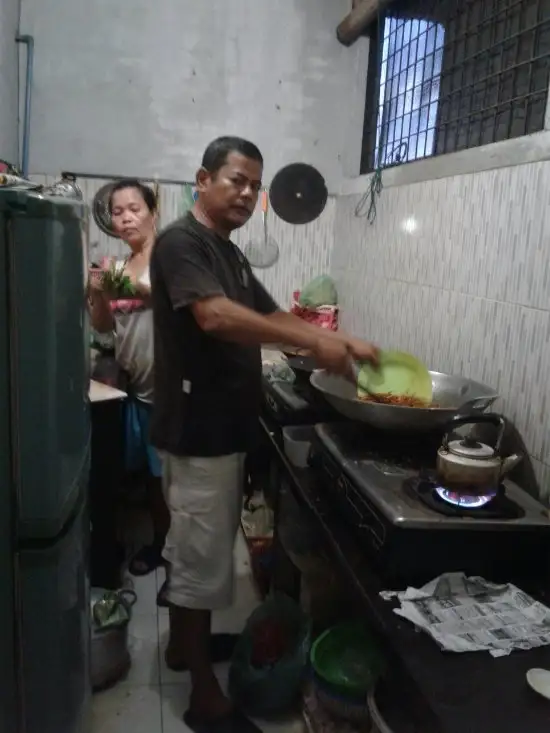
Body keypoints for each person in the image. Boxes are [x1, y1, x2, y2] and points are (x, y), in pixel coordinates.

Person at [150, 137, 378, 733]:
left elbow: (273, 316)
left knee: (195, 556)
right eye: (237, 180)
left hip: (221, 430)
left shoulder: (227, 251)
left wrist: (339, 340)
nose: (248, 194)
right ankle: (205, 698)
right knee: (200, 568)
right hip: (199, 434)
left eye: (256, 185)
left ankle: (182, 651)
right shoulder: (182, 242)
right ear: (203, 180)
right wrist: (314, 342)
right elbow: (214, 316)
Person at [88, 179, 170, 600]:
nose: (125, 217)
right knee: (142, 477)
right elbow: (104, 327)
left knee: (167, 483)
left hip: (173, 396)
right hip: (137, 390)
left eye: (133, 208)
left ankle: (170, 556)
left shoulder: (171, 259)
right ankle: (152, 544)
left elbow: (180, 306)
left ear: (153, 212)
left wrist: (129, 284)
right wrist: (98, 293)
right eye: (117, 212)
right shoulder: (119, 264)